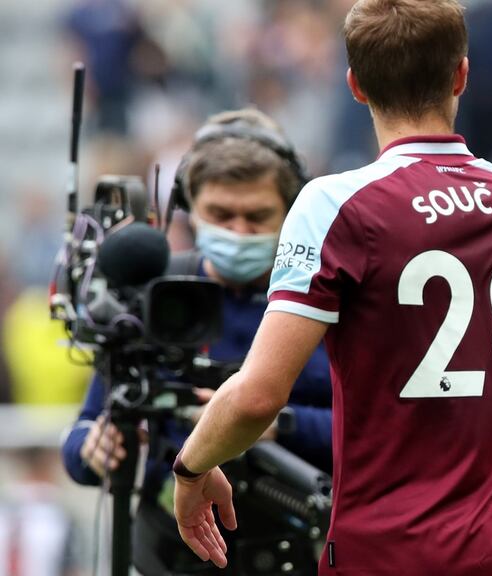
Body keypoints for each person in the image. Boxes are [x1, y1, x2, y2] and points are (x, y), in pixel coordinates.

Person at [172, 1, 492, 574]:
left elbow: (258, 395)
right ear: (461, 73)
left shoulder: (335, 204)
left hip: (388, 550)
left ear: (355, 84)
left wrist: (190, 468)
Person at [61, 107, 333, 575]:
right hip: (166, 554)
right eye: (221, 215)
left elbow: (372, 434)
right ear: (190, 209)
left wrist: (276, 422)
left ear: (290, 214)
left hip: (296, 550)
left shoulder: (325, 297)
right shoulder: (151, 292)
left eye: (257, 216)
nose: (238, 232)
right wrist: (95, 448)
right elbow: (85, 434)